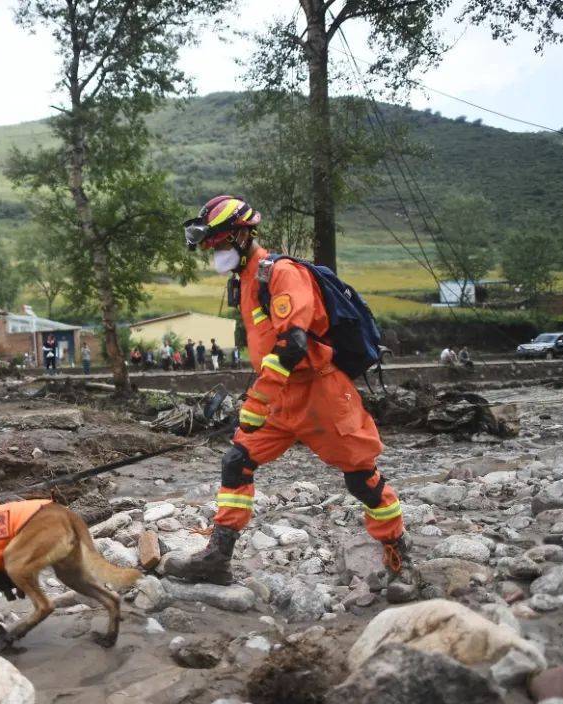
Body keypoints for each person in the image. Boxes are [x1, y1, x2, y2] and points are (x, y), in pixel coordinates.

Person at [166, 195, 409, 586]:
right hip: (280, 397)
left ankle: (401, 565)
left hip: (320, 394)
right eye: (213, 247)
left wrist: (258, 400)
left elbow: (293, 345)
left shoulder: (281, 273)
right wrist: (262, 397)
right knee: (236, 462)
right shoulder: (243, 279)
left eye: (222, 244)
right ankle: (218, 558)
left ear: (243, 235)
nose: (217, 253)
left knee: (362, 479)